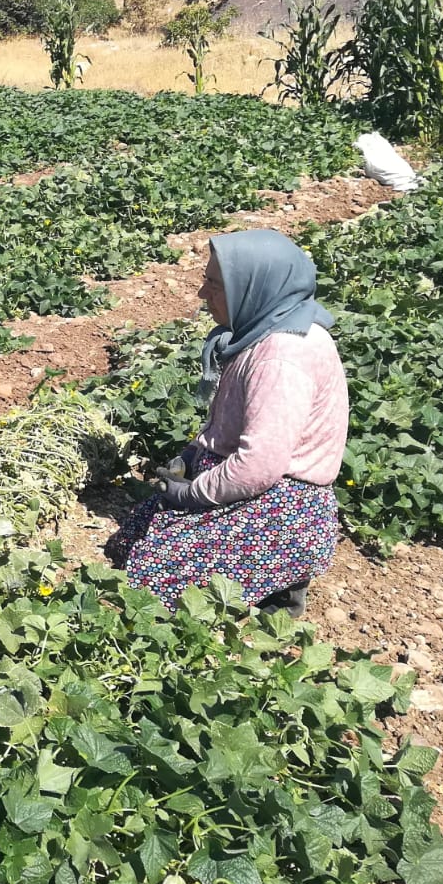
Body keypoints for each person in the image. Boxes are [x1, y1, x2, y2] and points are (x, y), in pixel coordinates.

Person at [108, 229, 347, 616]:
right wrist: (192, 455)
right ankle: (267, 578)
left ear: (254, 286)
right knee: (132, 540)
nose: (203, 294)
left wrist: (190, 494)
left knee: (150, 586)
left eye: (214, 284)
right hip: (254, 487)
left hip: (279, 505)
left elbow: (260, 465)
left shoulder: (281, 358)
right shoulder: (268, 326)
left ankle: (280, 592)